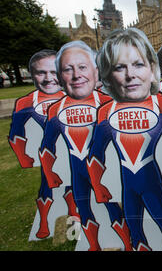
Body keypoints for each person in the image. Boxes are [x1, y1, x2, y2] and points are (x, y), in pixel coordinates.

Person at [89, 28, 162, 251]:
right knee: (136, 236)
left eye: (138, 64)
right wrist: (99, 187)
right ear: (108, 74)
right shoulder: (105, 112)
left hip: (155, 184)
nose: (130, 74)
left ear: (152, 68)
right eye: (119, 67)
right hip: (127, 187)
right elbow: (95, 155)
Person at [38, 41, 132, 251]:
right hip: (77, 170)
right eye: (67, 69)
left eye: (82, 67)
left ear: (96, 71)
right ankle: (93, 245)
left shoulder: (110, 103)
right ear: (60, 75)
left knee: (115, 207)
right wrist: (49, 171)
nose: (76, 75)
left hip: (107, 170)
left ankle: (128, 243)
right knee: (84, 206)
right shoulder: (56, 109)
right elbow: (46, 147)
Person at [8, 49, 79, 239]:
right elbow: (16, 132)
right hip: (47, 154)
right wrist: (23, 156)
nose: (49, 78)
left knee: (73, 186)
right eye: (41, 73)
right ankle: (45, 223)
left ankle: (75, 224)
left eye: (54, 72)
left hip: (73, 152)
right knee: (46, 188)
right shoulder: (26, 102)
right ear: (33, 75)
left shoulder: (75, 96)